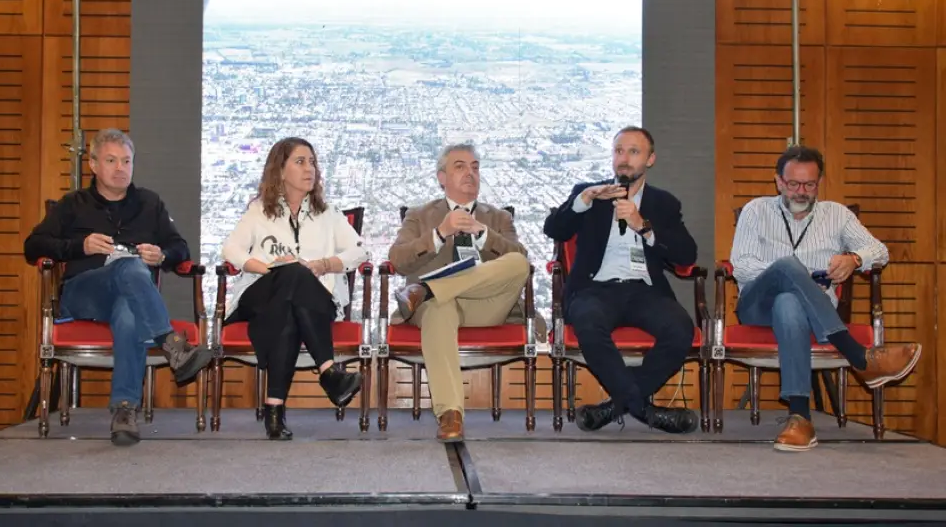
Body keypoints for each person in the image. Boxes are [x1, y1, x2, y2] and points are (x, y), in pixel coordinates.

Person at [23, 128, 212, 447]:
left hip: (130, 299)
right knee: (127, 265)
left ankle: (124, 410)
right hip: (84, 294)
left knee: (128, 312)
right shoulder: (73, 204)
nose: (120, 167)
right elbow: (33, 246)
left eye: (126, 161)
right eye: (111, 160)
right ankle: (169, 343)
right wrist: (79, 246)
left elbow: (180, 249)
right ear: (94, 165)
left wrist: (162, 254)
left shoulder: (150, 204)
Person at [730, 145, 920, 452]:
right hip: (757, 303)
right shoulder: (756, 210)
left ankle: (800, 418)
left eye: (810, 185)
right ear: (779, 182)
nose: (801, 192)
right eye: (793, 184)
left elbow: (880, 251)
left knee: (789, 303)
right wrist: (797, 274)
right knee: (787, 268)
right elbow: (743, 266)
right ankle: (859, 356)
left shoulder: (837, 215)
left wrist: (855, 259)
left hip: (809, 312)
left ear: (819, 182)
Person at [543, 126, 700, 435]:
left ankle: (614, 408)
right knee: (588, 321)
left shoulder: (663, 203)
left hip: (646, 291)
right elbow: (554, 229)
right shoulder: (591, 193)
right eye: (618, 151)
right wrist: (583, 200)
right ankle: (645, 410)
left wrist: (644, 226)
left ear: (650, 159)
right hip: (595, 288)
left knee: (680, 328)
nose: (624, 159)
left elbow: (686, 255)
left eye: (633, 152)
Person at [222, 137, 367, 440]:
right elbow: (231, 250)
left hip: (311, 301)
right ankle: (329, 371)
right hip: (260, 293)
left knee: (289, 310)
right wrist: (272, 269)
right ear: (280, 169)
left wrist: (324, 264)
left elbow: (359, 252)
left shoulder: (328, 213)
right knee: (291, 274)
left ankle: (274, 410)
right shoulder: (259, 211)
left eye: (312, 162)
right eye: (300, 162)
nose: (309, 168)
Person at [389, 143, 531, 442]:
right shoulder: (419, 215)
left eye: (475, 167)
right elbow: (398, 260)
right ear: (441, 177)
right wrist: (439, 234)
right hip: (439, 308)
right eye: (460, 166)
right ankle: (450, 414)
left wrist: (483, 234)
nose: (470, 173)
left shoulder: (498, 218)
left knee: (517, 262)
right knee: (439, 309)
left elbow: (522, 261)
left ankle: (425, 289)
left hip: (487, 306)